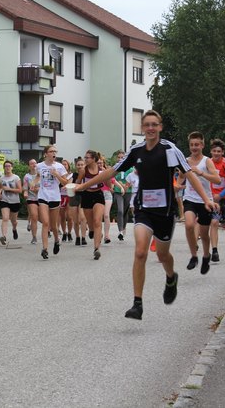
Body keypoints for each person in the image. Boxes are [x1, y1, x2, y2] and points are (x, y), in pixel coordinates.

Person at [75, 110, 213, 319]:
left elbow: (189, 175)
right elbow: (111, 172)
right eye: (146, 124)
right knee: (140, 252)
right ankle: (137, 303)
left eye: (154, 124)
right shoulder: (136, 151)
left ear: (160, 127)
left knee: (162, 255)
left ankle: (170, 277)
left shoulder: (170, 149)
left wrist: (206, 199)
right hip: (143, 210)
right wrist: (83, 185)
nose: (150, 128)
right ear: (142, 128)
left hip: (165, 212)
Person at [179, 132, 221, 275]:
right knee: (189, 224)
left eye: (197, 144)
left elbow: (217, 180)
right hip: (189, 198)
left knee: (204, 234)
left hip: (205, 201)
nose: (194, 147)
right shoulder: (185, 160)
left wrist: (201, 173)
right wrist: (178, 185)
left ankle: (206, 255)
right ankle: (193, 256)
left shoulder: (207, 161)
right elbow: (180, 178)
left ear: (202, 145)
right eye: (191, 145)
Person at [33, 145, 69, 259]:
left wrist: (57, 174)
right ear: (46, 154)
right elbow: (38, 176)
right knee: (45, 223)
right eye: (51, 151)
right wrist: (34, 182)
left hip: (55, 197)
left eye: (55, 151)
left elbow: (65, 183)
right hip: (43, 196)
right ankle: (44, 249)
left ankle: (57, 240)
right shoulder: (39, 166)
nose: (54, 153)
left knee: (53, 225)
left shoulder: (59, 167)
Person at [76, 150, 107, 260]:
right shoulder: (83, 170)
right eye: (85, 158)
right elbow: (78, 183)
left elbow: (108, 183)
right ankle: (93, 232)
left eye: (87, 158)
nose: (85, 160)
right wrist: (72, 187)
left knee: (97, 221)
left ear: (93, 159)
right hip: (86, 195)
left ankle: (96, 249)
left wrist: (106, 176)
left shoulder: (101, 170)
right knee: (91, 225)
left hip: (98, 195)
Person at [98, 154, 124, 244]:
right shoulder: (94, 172)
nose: (99, 164)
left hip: (107, 194)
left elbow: (114, 181)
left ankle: (106, 235)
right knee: (98, 216)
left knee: (106, 215)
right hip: (98, 194)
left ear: (103, 163)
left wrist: (121, 187)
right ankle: (99, 233)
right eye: (98, 163)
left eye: (101, 163)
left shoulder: (107, 171)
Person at [0, 160, 22, 245]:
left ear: (12, 167)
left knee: (14, 221)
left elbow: (20, 190)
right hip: (4, 200)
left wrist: (9, 189)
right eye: (6, 166)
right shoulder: (2, 178)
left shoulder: (16, 178)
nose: (7, 167)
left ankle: (14, 229)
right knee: (5, 218)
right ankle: (3, 236)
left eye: (9, 166)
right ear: (4, 168)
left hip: (15, 201)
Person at [113, 150, 134, 241]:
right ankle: (120, 231)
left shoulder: (130, 168)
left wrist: (126, 186)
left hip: (128, 192)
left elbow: (133, 180)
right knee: (120, 211)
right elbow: (112, 178)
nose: (120, 159)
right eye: (119, 157)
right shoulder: (114, 168)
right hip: (118, 192)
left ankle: (124, 227)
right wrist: (120, 185)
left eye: (122, 157)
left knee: (125, 211)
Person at [69, 157, 88, 246]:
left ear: (85, 165)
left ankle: (83, 237)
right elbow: (70, 184)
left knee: (83, 218)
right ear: (76, 166)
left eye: (82, 165)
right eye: (78, 165)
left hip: (84, 196)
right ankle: (77, 236)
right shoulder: (73, 175)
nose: (80, 166)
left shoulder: (87, 175)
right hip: (74, 197)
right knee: (75, 220)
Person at [22, 159, 39, 244]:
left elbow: (46, 187)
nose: (33, 165)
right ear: (29, 166)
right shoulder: (26, 177)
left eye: (35, 163)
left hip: (42, 198)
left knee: (44, 219)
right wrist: (25, 193)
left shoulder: (41, 175)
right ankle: (34, 237)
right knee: (34, 217)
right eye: (31, 163)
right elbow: (25, 189)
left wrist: (38, 189)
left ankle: (48, 230)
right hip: (31, 199)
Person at [59, 159, 74, 242]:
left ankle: (69, 232)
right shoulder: (58, 175)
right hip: (61, 196)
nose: (64, 166)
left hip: (69, 196)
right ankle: (64, 232)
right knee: (62, 216)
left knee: (69, 216)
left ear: (68, 166)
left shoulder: (71, 175)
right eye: (62, 164)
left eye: (65, 164)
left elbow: (68, 183)